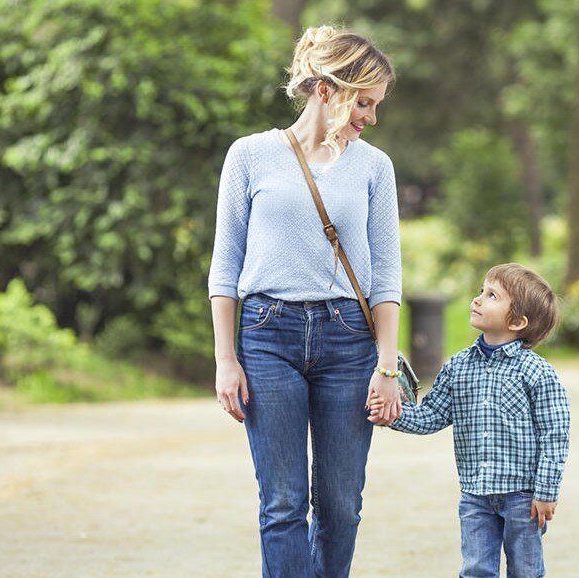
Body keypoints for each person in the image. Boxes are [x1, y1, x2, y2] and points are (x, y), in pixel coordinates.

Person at [207, 25, 403, 578]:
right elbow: (225, 268)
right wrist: (226, 359)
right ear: (325, 90)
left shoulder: (374, 167)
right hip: (267, 337)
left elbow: (386, 277)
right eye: (363, 102)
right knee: (283, 503)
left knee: (341, 507)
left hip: (348, 341)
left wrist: (387, 367)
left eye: (376, 104)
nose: (371, 116)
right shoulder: (249, 156)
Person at [370, 263, 570, 578]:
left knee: (526, 570)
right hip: (475, 494)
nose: (477, 299)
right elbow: (431, 415)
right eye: (481, 291)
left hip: (523, 497)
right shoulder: (457, 367)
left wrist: (546, 491)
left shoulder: (537, 372)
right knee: (475, 568)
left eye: (492, 295)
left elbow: (555, 434)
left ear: (517, 321)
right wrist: (391, 413)